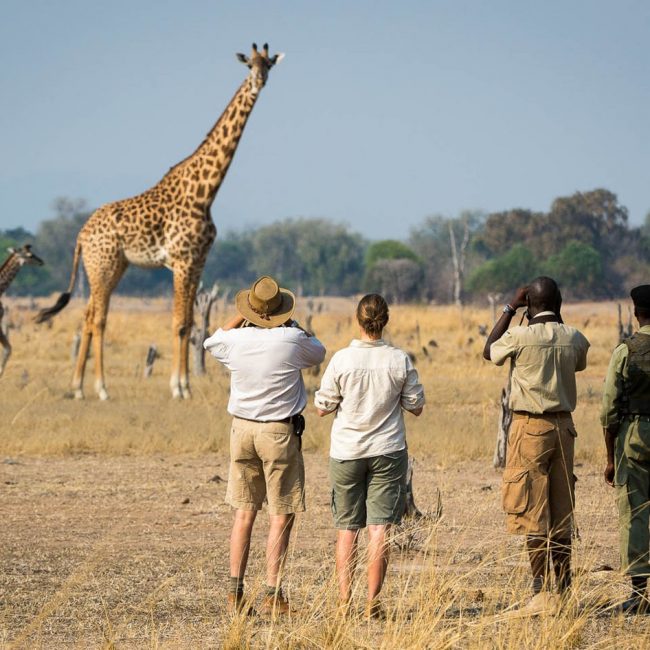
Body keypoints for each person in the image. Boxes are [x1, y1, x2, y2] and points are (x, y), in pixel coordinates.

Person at [204, 275, 326, 616]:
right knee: (280, 515)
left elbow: (212, 342)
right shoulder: (292, 339)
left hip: (241, 431)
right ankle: (273, 593)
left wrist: (239, 319)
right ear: (281, 311)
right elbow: (319, 350)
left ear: (251, 311)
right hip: (278, 433)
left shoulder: (236, 341)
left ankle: (235, 592)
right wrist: (295, 325)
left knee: (244, 514)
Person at [483, 276, 589, 614]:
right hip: (564, 428)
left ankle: (540, 593)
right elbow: (580, 359)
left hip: (530, 428)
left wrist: (510, 307)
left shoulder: (519, 336)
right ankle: (566, 589)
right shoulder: (573, 337)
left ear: (529, 304)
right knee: (561, 511)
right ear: (558, 303)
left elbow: (489, 351)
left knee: (532, 510)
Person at [314, 293, 425, 618]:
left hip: (347, 451)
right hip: (388, 451)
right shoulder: (399, 359)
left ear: (358, 320)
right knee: (380, 528)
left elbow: (322, 407)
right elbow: (415, 406)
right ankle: (372, 604)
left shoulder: (342, 359)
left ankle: (344, 602)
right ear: (385, 320)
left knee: (347, 529)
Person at [602, 285, 650, 614]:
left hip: (635, 437)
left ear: (636, 313)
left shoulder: (626, 350)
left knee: (635, 514)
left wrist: (609, 457)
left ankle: (640, 594)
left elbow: (608, 410)